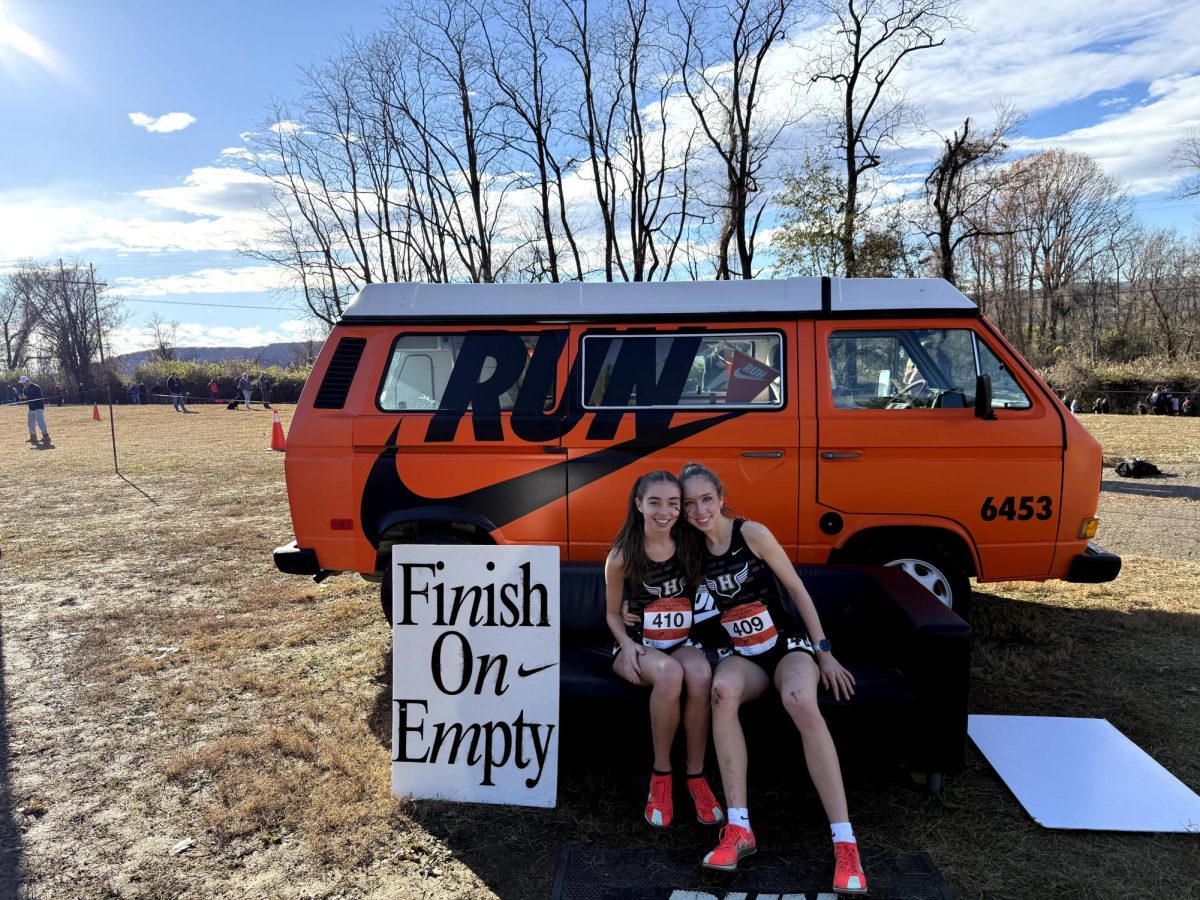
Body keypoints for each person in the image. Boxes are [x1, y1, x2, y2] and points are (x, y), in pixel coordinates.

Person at [679, 462, 866, 894]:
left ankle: (845, 842)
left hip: (786, 648)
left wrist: (825, 653)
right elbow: (652, 572)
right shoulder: (689, 547)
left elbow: (797, 590)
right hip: (742, 658)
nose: (699, 510)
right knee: (721, 691)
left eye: (706, 499)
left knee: (801, 699)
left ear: (721, 496)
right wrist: (629, 613)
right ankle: (739, 828)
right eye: (689, 504)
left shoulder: (752, 534)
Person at [605, 471, 725, 831]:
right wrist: (626, 645)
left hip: (682, 641)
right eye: (655, 502)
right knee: (671, 675)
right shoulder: (622, 555)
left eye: (673, 503)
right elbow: (612, 613)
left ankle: (696, 775)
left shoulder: (690, 543)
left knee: (701, 673)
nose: (665, 511)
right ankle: (661, 776)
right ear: (638, 504)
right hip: (639, 644)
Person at [18, 375, 51, 444]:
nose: (23, 384)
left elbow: (37, 396)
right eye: (22, 383)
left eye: (24, 382)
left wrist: (27, 396)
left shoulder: (36, 387)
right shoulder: (25, 389)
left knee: (40, 422)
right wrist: (23, 398)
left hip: (38, 407)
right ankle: (33, 437)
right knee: (30, 423)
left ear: (28, 381)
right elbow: (27, 398)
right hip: (31, 408)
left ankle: (46, 436)